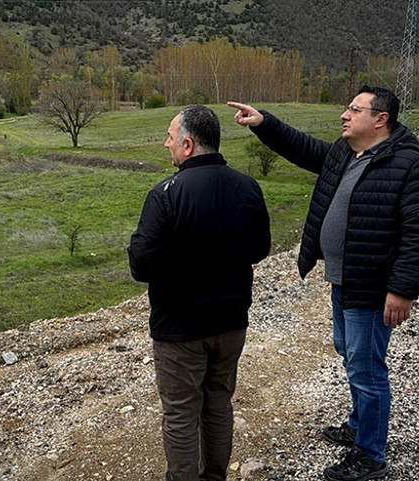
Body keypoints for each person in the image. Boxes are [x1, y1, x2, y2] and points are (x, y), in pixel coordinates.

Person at [228, 86, 419, 481]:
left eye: (354, 109)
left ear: (380, 119)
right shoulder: (346, 154)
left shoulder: (410, 165)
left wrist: (403, 290)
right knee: (351, 355)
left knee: (367, 369)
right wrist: (264, 124)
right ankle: (360, 426)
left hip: (373, 286)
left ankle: (371, 456)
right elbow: (304, 149)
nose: (345, 115)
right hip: (344, 280)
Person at [128, 105, 271, 481]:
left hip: (179, 328)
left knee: (180, 411)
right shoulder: (247, 186)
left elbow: (140, 265)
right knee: (219, 403)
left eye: (171, 138)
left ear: (188, 145)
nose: (166, 144)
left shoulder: (166, 194)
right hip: (230, 321)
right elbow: (259, 250)